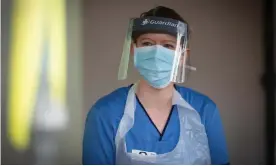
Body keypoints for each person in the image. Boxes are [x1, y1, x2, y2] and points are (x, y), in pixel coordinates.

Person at [83, 6, 229, 165]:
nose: (156, 53)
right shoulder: (105, 113)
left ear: (182, 55)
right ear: (134, 50)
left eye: (168, 46)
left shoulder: (204, 110)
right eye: (147, 43)